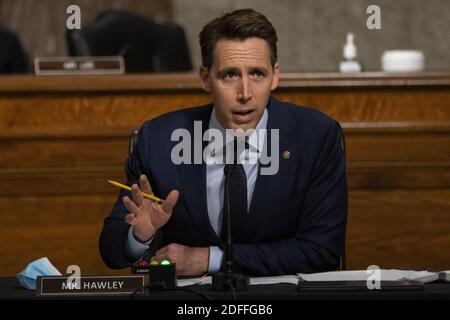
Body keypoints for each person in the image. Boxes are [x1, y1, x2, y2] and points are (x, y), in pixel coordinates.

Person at [99, 9, 347, 276]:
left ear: (275, 76)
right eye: (230, 75)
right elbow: (111, 250)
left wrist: (211, 259)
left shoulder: (317, 137)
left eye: (257, 74)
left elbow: (322, 251)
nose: (245, 93)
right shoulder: (159, 139)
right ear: (206, 78)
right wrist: (139, 236)